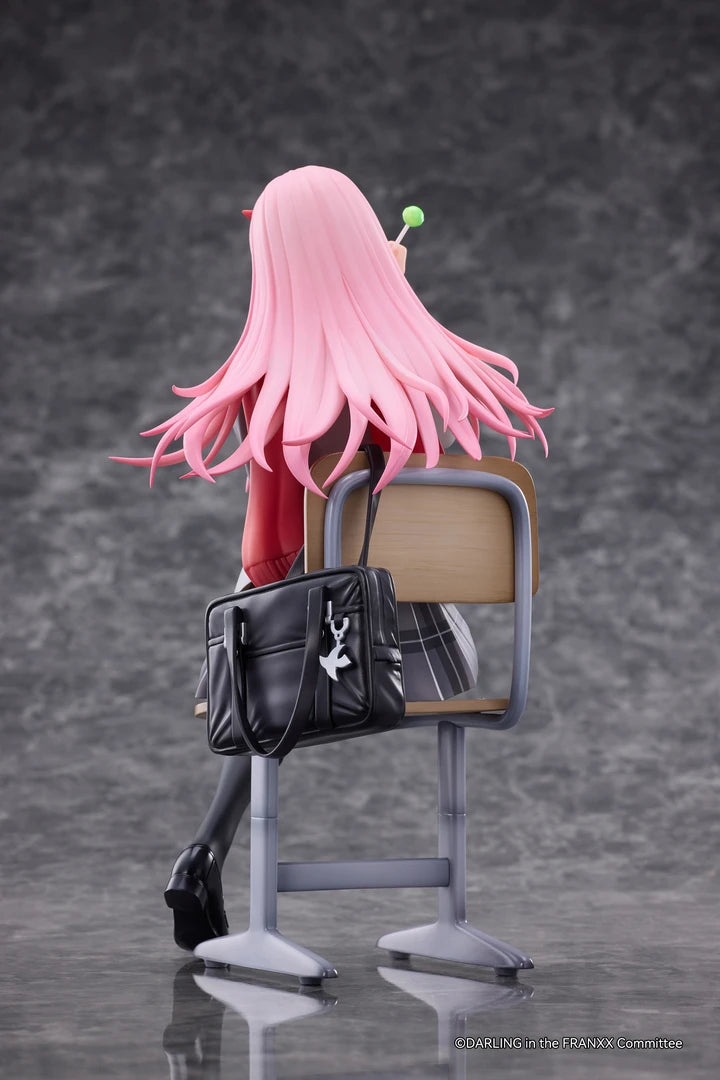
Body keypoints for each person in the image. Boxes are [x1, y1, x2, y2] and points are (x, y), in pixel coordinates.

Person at [113, 165, 552, 950]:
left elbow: (270, 551)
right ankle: (434, 909)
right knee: (353, 577)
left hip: (303, 664)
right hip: (422, 658)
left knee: (262, 625)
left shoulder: (267, 385)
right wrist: (386, 296)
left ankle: (204, 852)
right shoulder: (404, 370)